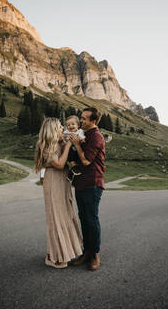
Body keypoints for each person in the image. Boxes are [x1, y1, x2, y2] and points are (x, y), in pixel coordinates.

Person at [35, 117, 82, 268]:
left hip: (61, 181)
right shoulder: (47, 146)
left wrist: (68, 142)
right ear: (53, 130)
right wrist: (68, 144)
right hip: (54, 181)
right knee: (56, 217)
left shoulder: (56, 143)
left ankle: (64, 254)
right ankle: (60, 257)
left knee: (64, 214)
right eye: (60, 127)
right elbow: (60, 164)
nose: (63, 129)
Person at [69, 107, 105, 271]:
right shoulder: (84, 135)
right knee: (83, 218)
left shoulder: (96, 137)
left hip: (92, 183)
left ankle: (95, 254)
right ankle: (87, 252)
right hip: (81, 183)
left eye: (84, 119)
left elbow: (86, 161)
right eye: (81, 118)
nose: (81, 121)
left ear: (94, 121)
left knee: (91, 219)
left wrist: (77, 144)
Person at [63, 115, 85, 181]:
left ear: (78, 125)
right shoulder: (67, 132)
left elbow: (82, 138)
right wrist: (65, 137)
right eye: (68, 125)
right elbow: (64, 137)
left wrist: (82, 139)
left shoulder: (80, 131)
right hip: (71, 149)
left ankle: (72, 172)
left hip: (78, 150)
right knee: (69, 152)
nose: (70, 126)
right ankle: (73, 165)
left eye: (73, 124)